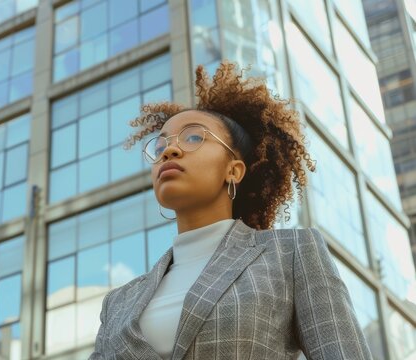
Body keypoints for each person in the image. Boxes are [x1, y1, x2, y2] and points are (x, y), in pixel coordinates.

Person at [89, 60, 373, 359]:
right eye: (160, 147)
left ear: (234, 170)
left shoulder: (290, 254)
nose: (170, 151)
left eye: (194, 137)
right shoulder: (117, 304)